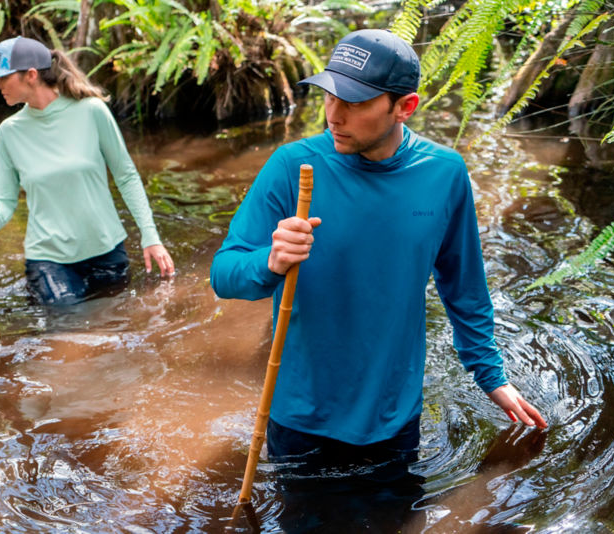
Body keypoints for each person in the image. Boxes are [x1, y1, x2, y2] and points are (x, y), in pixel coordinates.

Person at [210, 29, 547, 467]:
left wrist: (491, 376)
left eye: (355, 102)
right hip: (297, 418)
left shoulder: (444, 175)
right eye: (330, 96)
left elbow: (463, 287)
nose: (334, 115)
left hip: (393, 416)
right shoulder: (293, 168)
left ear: (405, 107)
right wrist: (269, 261)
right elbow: (224, 274)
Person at [0, 36, 174, 305]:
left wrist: (150, 236)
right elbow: (6, 201)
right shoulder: (9, 132)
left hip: (106, 250)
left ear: (31, 75)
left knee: (114, 326)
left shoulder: (92, 111)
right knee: (68, 329)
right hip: (48, 260)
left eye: (3, 78)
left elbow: (126, 176)